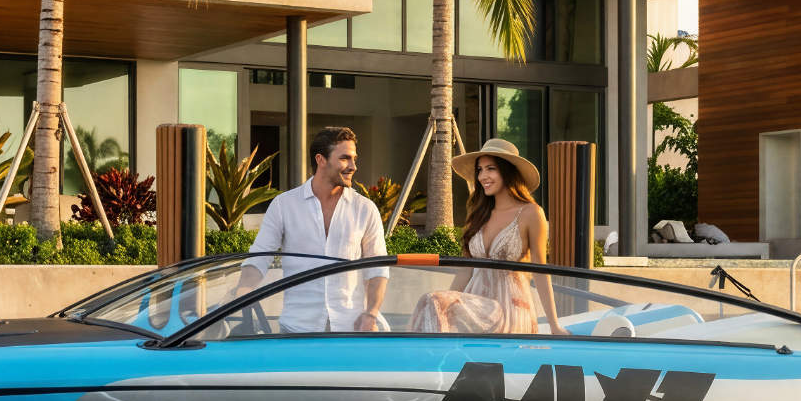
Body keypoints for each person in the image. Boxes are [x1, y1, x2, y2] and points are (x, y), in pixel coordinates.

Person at [238, 126, 389, 333]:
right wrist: (241, 291)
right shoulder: (284, 205)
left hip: (350, 329)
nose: (353, 166)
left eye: (354, 159)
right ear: (321, 160)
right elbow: (259, 258)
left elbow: (378, 269)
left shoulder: (365, 209)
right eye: (345, 158)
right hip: (297, 330)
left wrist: (370, 314)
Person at [409, 138, 563, 334]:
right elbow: (465, 271)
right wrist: (447, 303)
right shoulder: (479, 215)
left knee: (433, 301)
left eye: (491, 169)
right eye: (480, 170)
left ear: (508, 172)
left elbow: (540, 271)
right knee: (433, 302)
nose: (483, 176)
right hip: (477, 306)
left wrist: (554, 325)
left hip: (510, 307)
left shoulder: (531, 213)